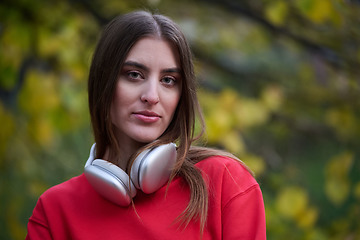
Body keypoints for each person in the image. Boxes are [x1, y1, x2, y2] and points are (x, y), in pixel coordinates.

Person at [26, 10, 266, 239]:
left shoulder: (225, 182)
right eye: (134, 74)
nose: (152, 96)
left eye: (168, 80)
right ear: (103, 84)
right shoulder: (55, 210)